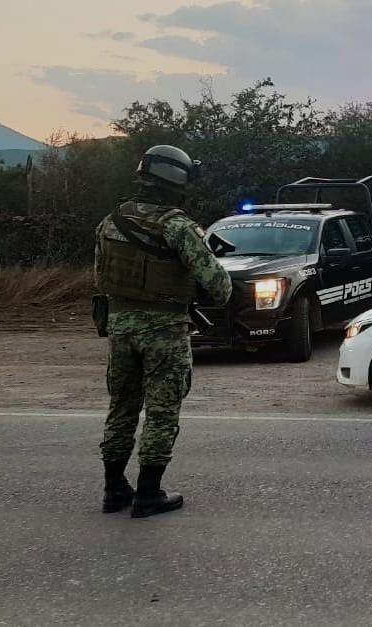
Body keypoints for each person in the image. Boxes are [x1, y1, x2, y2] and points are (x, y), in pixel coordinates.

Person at [95, 145, 232, 518]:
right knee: (161, 411)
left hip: (120, 328)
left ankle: (113, 489)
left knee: (121, 408)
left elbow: (100, 276)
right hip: (164, 331)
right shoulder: (177, 226)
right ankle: (148, 494)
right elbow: (220, 289)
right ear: (177, 181)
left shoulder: (111, 220)